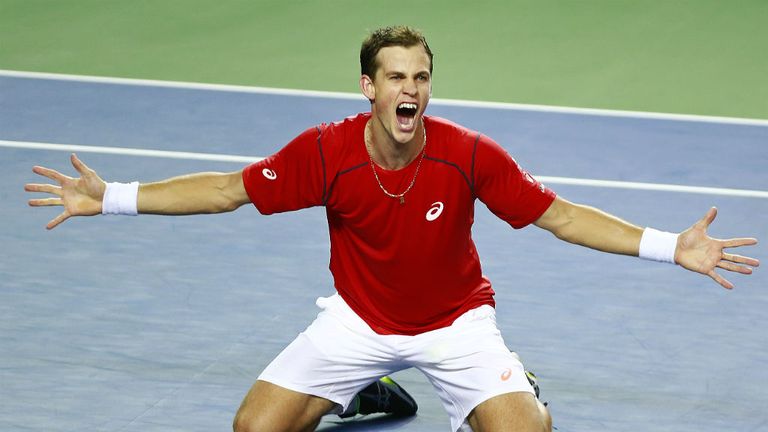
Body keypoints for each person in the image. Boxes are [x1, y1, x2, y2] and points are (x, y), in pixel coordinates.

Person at [25, 26, 759, 432]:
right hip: (358, 323)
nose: (410, 90)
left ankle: (513, 384)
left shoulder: (469, 155)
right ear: (368, 88)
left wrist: (671, 247)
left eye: (421, 78)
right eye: (396, 77)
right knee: (253, 430)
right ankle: (368, 387)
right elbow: (225, 191)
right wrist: (112, 196)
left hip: (456, 324)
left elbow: (559, 217)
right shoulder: (324, 154)